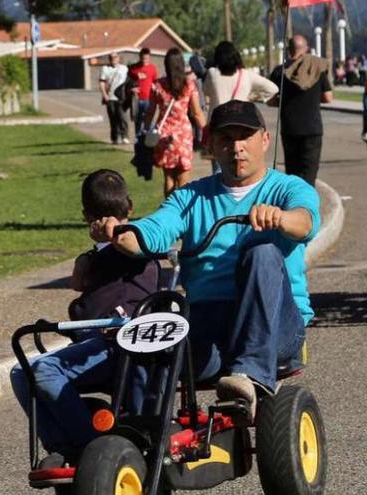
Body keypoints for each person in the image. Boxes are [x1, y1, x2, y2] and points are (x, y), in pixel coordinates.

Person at [93, 100, 320, 423]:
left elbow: (305, 222)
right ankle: (142, 436)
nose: (237, 147)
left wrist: (281, 219)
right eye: (226, 139)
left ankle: (251, 374)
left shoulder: (288, 188)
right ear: (211, 145)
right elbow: (155, 230)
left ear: (265, 140)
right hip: (209, 322)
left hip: (276, 324)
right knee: (151, 341)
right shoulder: (191, 196)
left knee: (262, 251)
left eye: (246, 137)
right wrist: (120, 232)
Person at [10, 169, 159, 467]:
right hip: (94, 344)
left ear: (84, 216)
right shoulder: (96, 257)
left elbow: (138, 254)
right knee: (20, 372)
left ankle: (91, 448)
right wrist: (89, 258)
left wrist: (109, 242)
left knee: (45, 371)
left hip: (123, 347)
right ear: (129, 204)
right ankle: (65, 448)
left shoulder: (140, 244)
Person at [204, 41, 279, 174]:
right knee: (242, 165)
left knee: (218, 167)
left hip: (219, 124)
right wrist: (252, 96)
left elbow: (206, 91)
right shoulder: (246, 75)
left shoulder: (212, 73)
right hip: (241, 123)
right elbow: (273, 89)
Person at [268, 35, 333, 187]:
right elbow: (328, 97)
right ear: (305, 49)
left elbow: (270, 100)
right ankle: (308, 206)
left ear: (288, 50)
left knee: (292, 173)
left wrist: (283, 101)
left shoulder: (280, 72)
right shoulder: (316, 69)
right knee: (310, 172)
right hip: (312, 129)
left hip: (290, 129)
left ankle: (293, 206)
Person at [144, 47, 207, 197]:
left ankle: (170, 213)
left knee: (169, 179)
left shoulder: (158, 85)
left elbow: (150, 112)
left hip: (163, 135)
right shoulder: (189, 85)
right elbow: (197, 113)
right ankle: (183, 215)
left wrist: (146, 130)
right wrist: (206, 131)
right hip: (183, 137)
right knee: (183, 179)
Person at [99, 52, 130, 145]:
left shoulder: (124, 68)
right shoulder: (105, 69)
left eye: (115, 57)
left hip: (121, 97)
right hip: (110, 97)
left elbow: (128, 81)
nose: (113, 59)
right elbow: (102, 82)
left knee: (122, 117)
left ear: (118, 58)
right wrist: (104, 94)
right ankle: (115, 137)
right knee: (113, 118)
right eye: (111, 57)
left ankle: (125, 136)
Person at [128, 48, 158, 137]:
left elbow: (155, 81)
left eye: (147, 59)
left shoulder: (152, 68)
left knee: (149, 120)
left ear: (149, 58)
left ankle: (151, 138)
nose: (145, 61)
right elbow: (126, 83)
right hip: (136, 99)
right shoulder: (133, 68)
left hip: (148, 98)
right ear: (140, 57)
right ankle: (138, 139)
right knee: (137, 120)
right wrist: (131, 89)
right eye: (143, 58)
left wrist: (154, 86)